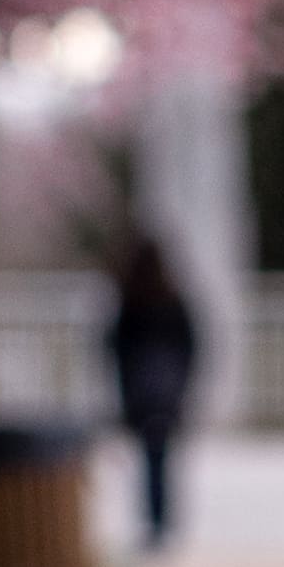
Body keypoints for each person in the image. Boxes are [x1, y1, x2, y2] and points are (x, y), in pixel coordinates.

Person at [107, 228, 202, 549]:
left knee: (149, 459)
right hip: (168, 392)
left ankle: (155, 521)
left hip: (140, 393)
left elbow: (114, 351)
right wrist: (183, 382)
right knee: (161, 458)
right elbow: (192, 346)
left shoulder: (129, 301)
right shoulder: (172, 299)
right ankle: (163, 520)